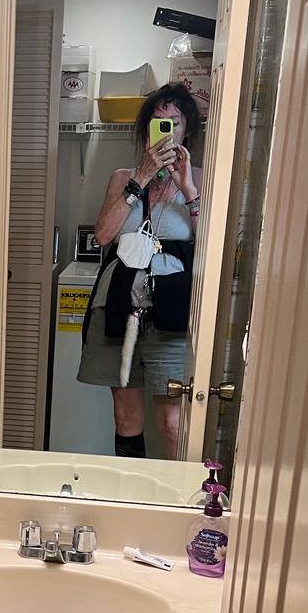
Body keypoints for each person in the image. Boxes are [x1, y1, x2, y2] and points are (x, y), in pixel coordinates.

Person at [77, 83, 202, 459]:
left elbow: (215, 248)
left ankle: (177, 503)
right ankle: (130, 499)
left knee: (174, 423)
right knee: (125, 417)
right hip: (118, 306)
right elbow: (102, 236)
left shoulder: (201, 177)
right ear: (145, 129)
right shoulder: (122, 177)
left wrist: (189, 190)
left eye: (175, 123)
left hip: (173, 313)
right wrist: (140, 180)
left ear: (186, 130)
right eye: (158, 122)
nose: (166, 131)